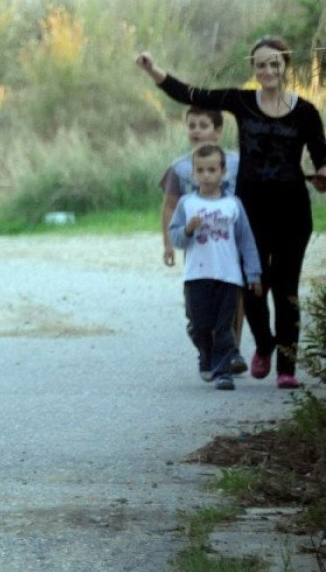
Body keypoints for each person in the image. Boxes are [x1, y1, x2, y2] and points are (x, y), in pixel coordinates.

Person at [137, 37, 326, 389]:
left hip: (292, 212)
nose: (268, 71)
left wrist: (322, 175)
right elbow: (191, 94)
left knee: (286, 290)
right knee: (254, 286)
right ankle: (265, 345)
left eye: (275, 64)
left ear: (286, 66)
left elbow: (322, 157)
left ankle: (287, 367)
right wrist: (153, 71)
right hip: (250, 211)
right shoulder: (240, 102)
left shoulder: (306, 112)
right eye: (261, 65)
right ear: (253, 68)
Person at [159, 107, 246, 377]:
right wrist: (168, 244)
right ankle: (203, 339)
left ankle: (232, 351)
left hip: (230, 243)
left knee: (233, 299)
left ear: (218, 131)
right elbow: (169, 207)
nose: (196, 130)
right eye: (192, 125)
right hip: (199, 247)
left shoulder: (237, 163)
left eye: (203, 125)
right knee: (199, 308)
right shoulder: (181, 167)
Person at [167, 144, 262, 391]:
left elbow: (246, 241)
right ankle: (205, 356)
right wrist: (188, 229)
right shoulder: (187, 204)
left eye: (212, 169)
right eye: (201, 170)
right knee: (200, 325)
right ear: (193, 174)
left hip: (228, 276)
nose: (206, 175)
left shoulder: (233, 205)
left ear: (223, 172)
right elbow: (176, 237)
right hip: (196, 275)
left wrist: (253, 273)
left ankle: (222, 372)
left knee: (223, 327)